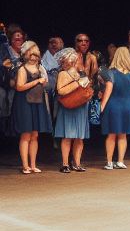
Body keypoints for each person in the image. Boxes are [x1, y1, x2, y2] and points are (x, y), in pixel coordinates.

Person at [100, 46, 130, 169]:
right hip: (127, 106)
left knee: (112, 134)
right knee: (123, 135)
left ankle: (109, 162)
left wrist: (102, 105)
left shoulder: (111, 72)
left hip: (114, 105)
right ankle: (120, 161)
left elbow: (109, 90)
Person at [13, 40, 52, 173]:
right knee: (26, 134)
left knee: (35, 135)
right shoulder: (22, 69)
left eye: (36, 53)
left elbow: (46, 84)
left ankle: (33, 164)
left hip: (37, 102)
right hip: (25, 103)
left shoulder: (40, 68)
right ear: (27, 54)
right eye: (32, 53)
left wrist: (43, 82)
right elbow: (19, 87)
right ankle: (25, 165)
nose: (34, 56)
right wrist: (36, 81)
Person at [54, 48, 90, 172]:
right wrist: (77, 83)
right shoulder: (63, 74)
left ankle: (77, 163)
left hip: (80, 107)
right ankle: (65, 164)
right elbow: (61, 90)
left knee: (79, 137)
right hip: (68, 107)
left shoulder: (81, 73)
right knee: (67, 136)